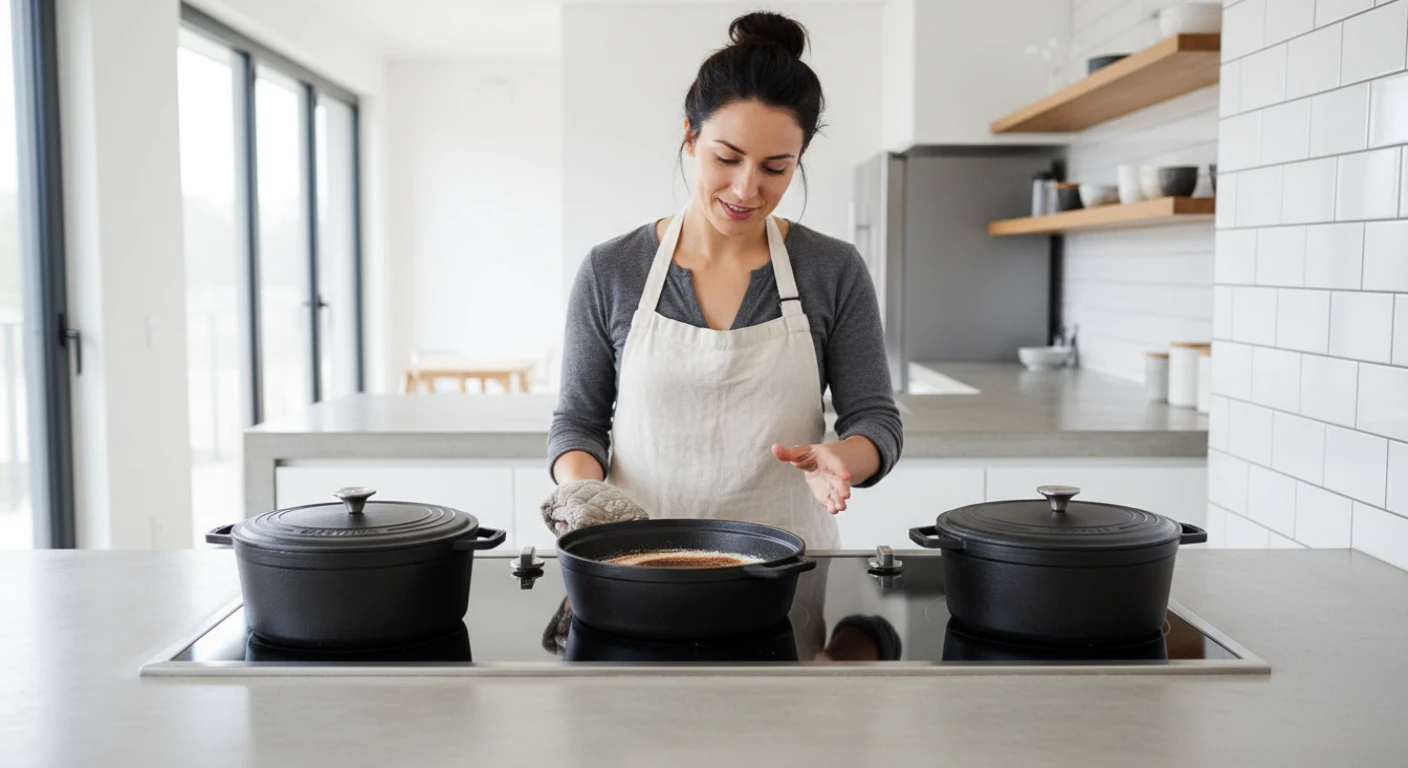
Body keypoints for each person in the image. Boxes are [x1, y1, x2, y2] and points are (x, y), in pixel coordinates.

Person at [546, 10, 902, 550]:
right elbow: (578, 422)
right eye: (727, 158)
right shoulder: (611, 269)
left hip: (787, 572)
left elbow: (876, 420)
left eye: (775, 168)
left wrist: (843, 457)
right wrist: (585, 495)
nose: (745, 189)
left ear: (799, 158)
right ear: (691, 138)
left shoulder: (832, 268)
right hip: (638, 565)